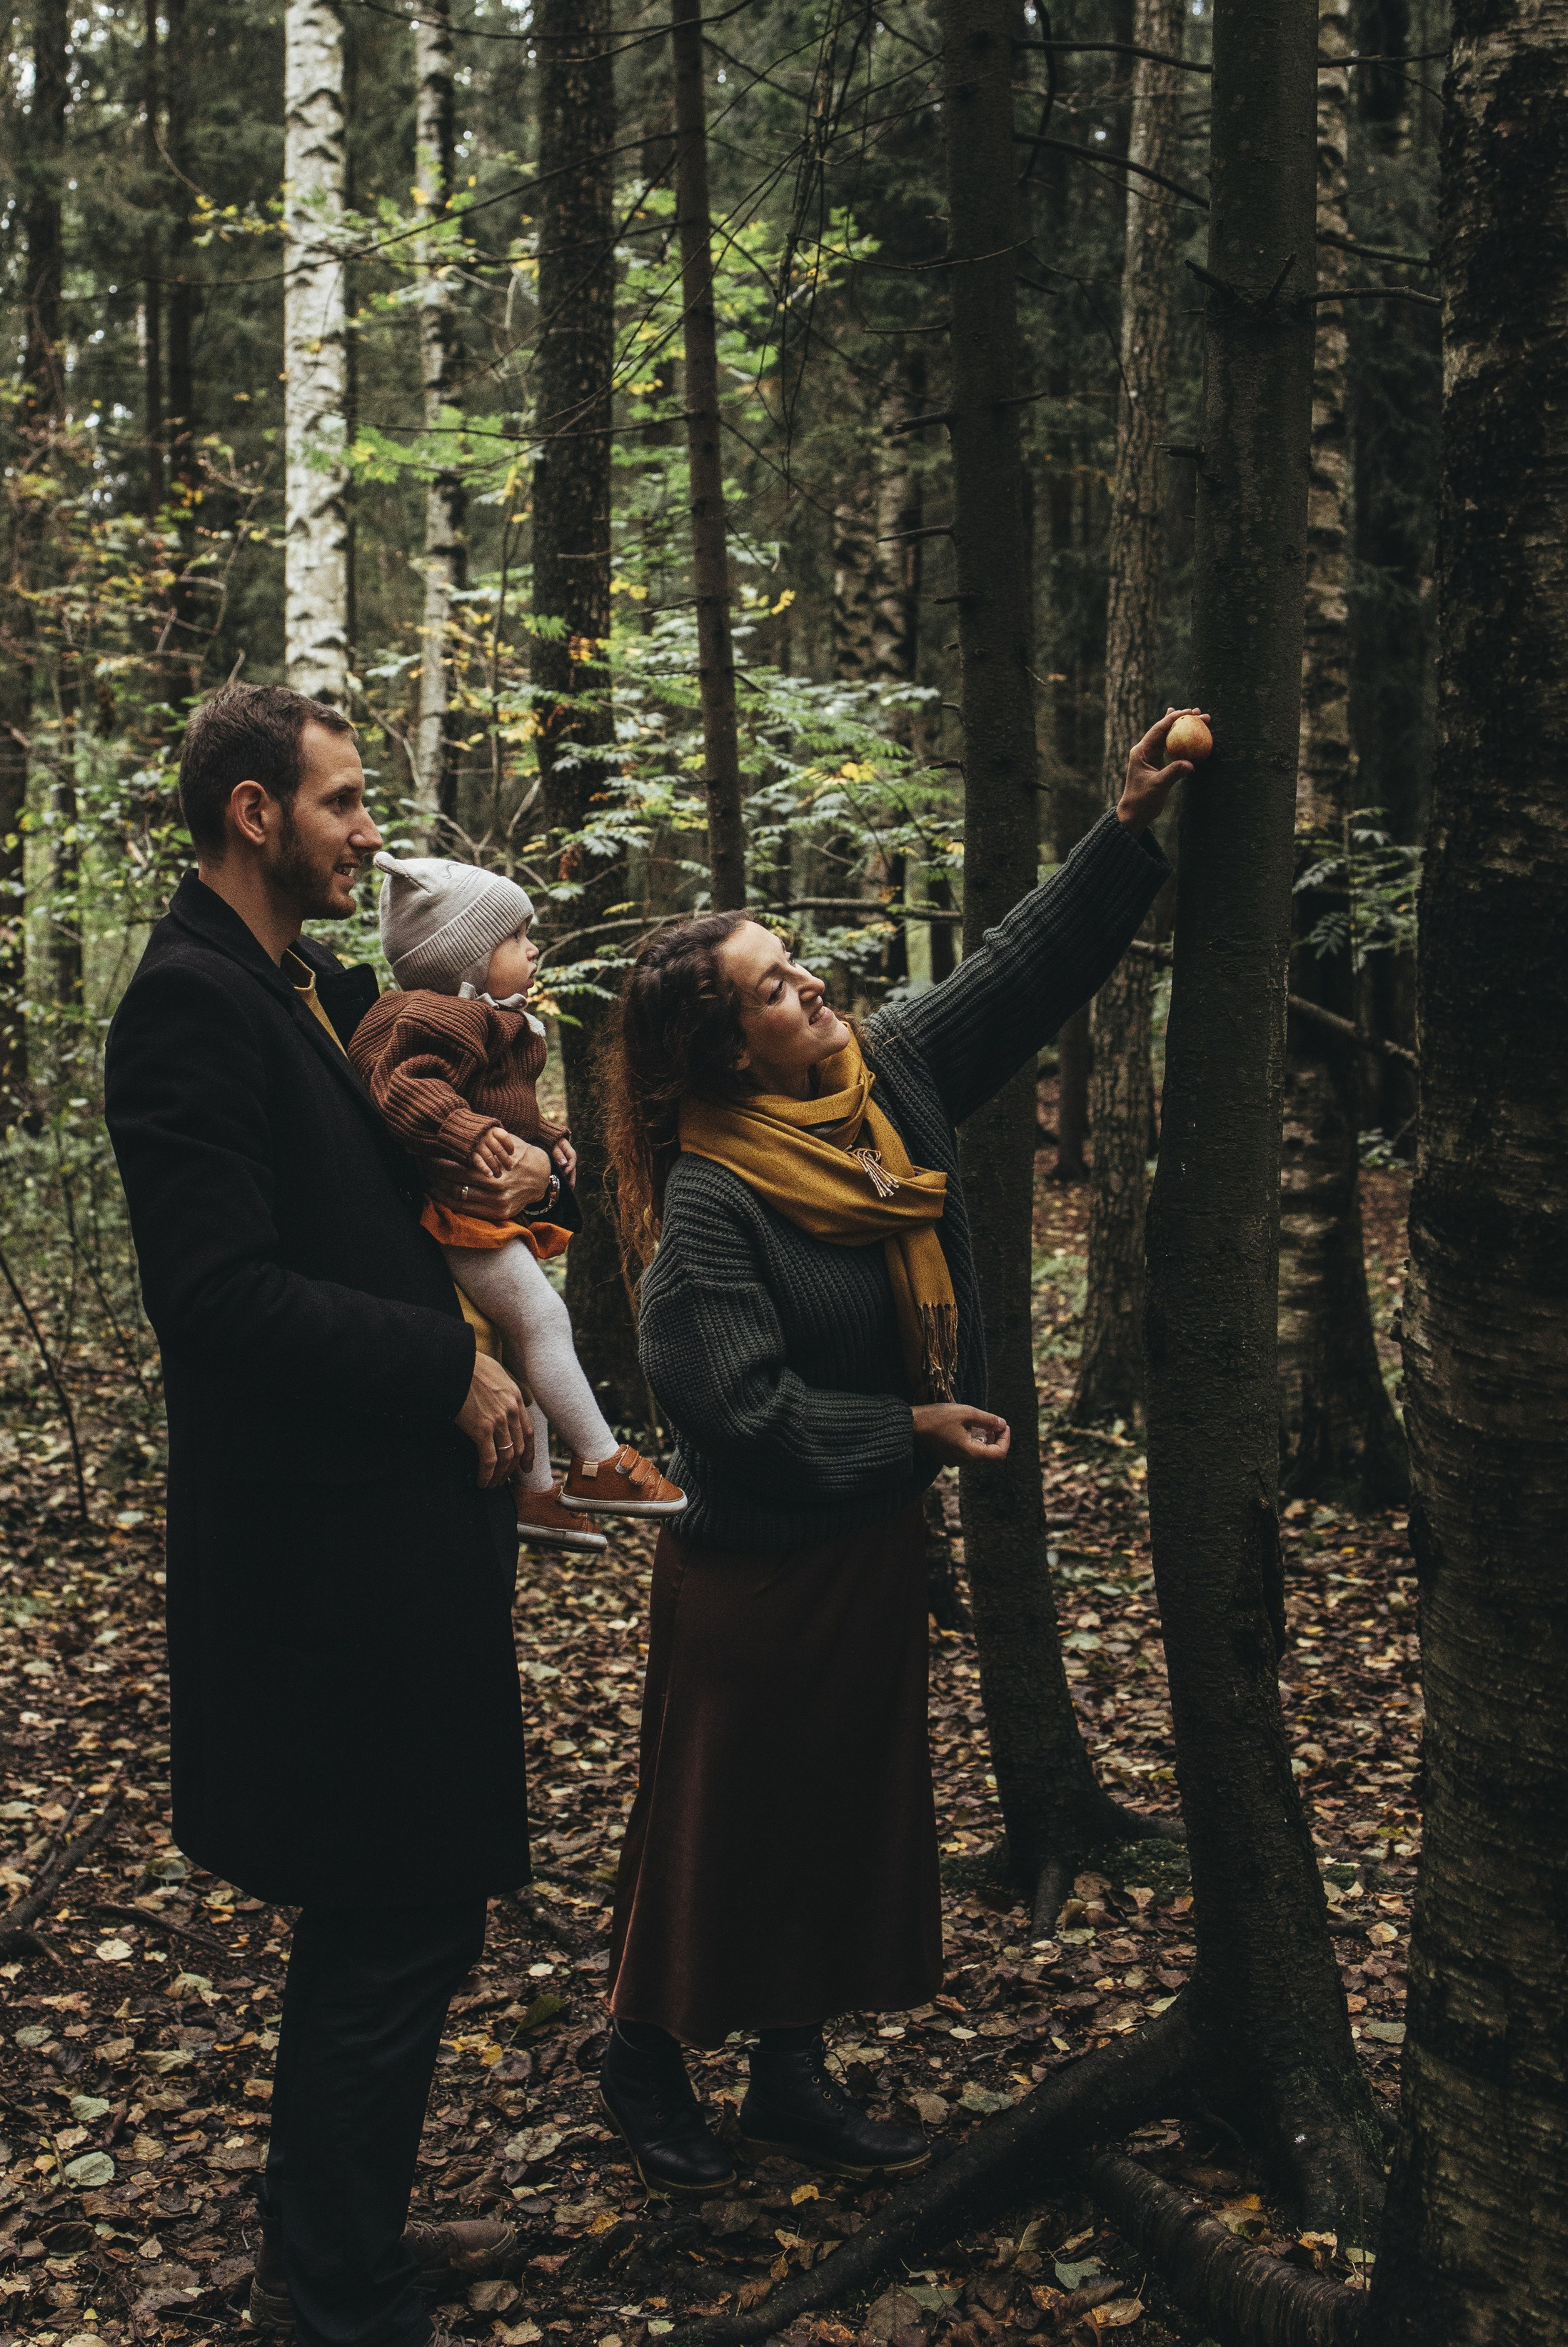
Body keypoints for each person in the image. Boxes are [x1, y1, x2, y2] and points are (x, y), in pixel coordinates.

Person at [595, 715, 1194, 2195]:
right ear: (723, 1048)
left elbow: (1018, 971)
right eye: (772, 989)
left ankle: (790, 2076)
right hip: (750, 1574)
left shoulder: (884, 1081)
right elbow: (733, 1413)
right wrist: (907, 1429)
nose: (810, 986)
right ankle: (640, 2058)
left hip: (861, 1549)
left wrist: (1126, 827)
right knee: (716, 1827)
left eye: (795, 963)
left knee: (829, 1817)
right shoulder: (708, 1208)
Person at [104, 684, 547, 2347]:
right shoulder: (188, 1006)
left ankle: (331, 2220)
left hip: (394, 1538)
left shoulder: (312, 985)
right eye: (346, 802)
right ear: (251, 812)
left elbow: (427, 1134)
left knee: (398, 1907)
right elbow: (213, 1295)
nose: (372, 832)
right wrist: (440, 1362)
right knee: (395, 1903)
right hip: (317, 1559)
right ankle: (344, 2285)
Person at [351, 852, 687, 1551]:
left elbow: (503, 1105)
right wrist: (466, 1131)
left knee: (527, 1336)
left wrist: (548, 1138)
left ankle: (535, 1489)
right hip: (455, 1214)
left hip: (480, 1210)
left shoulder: (491, 1021)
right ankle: (598, 1460)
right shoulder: (430, 1016)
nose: (533, 949)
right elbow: (400, 1089)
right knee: (542, 1319)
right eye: (516, 937)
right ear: (466, 958)